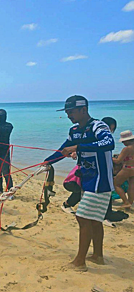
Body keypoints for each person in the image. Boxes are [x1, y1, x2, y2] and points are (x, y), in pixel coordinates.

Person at [44, 95, 114, 271]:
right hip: (86, 180)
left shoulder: (98, 126)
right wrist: (47, 162)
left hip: (101, 181)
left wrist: (78, 147)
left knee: (82, 216)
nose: (68, 115)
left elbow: (108, 142)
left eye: (71, 111)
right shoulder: (74, 130)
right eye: (66, 112)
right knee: (95, 220)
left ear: (84, 110)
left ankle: (80, 262)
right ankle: (98, 256)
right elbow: (63, 150)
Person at [112, 130, 134, 209]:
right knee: (131, 186)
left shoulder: (127, 149)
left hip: (127, 168)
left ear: (127, 140)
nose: (122, 143)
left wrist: (111, 158)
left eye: (123, 141)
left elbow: (118, 161)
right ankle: (130, 203)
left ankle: (125, 202)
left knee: (116, 184)